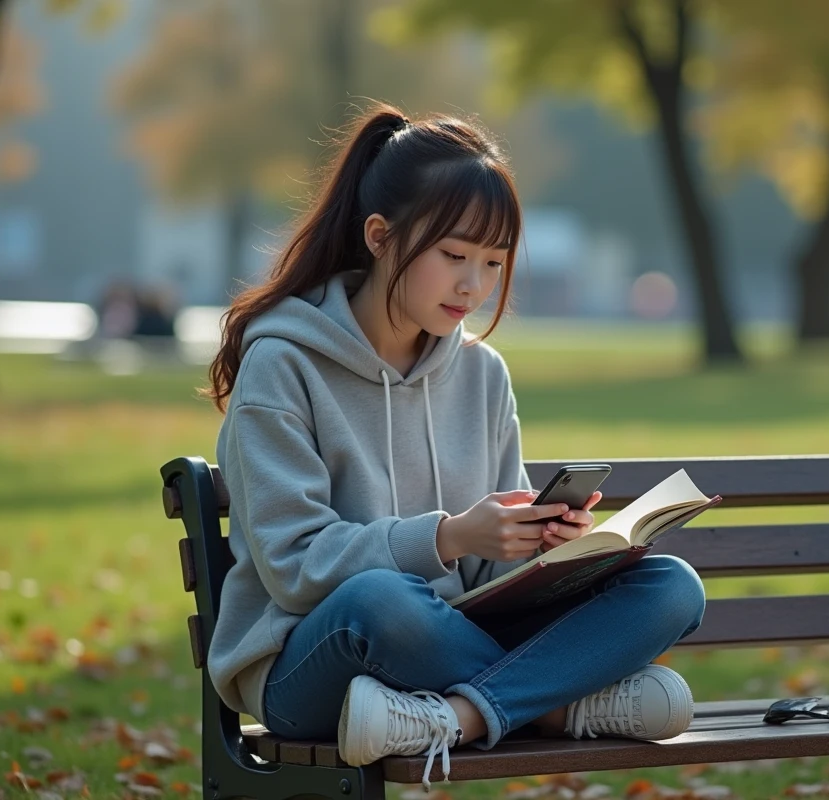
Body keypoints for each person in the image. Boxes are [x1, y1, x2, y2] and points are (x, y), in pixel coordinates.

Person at [201, 103, 707, 789]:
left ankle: (459, 716)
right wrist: (448, 537)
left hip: (445, 648)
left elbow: (484, 585)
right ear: (380, 237)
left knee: (670, 586)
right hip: (314, 659)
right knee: (384, 598)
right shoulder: (283, 366)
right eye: (454, 256)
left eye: (494, 261)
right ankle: (555, 706)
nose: (475, 285)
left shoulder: (481, 374)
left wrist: (540, 547)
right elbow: (295, 566)